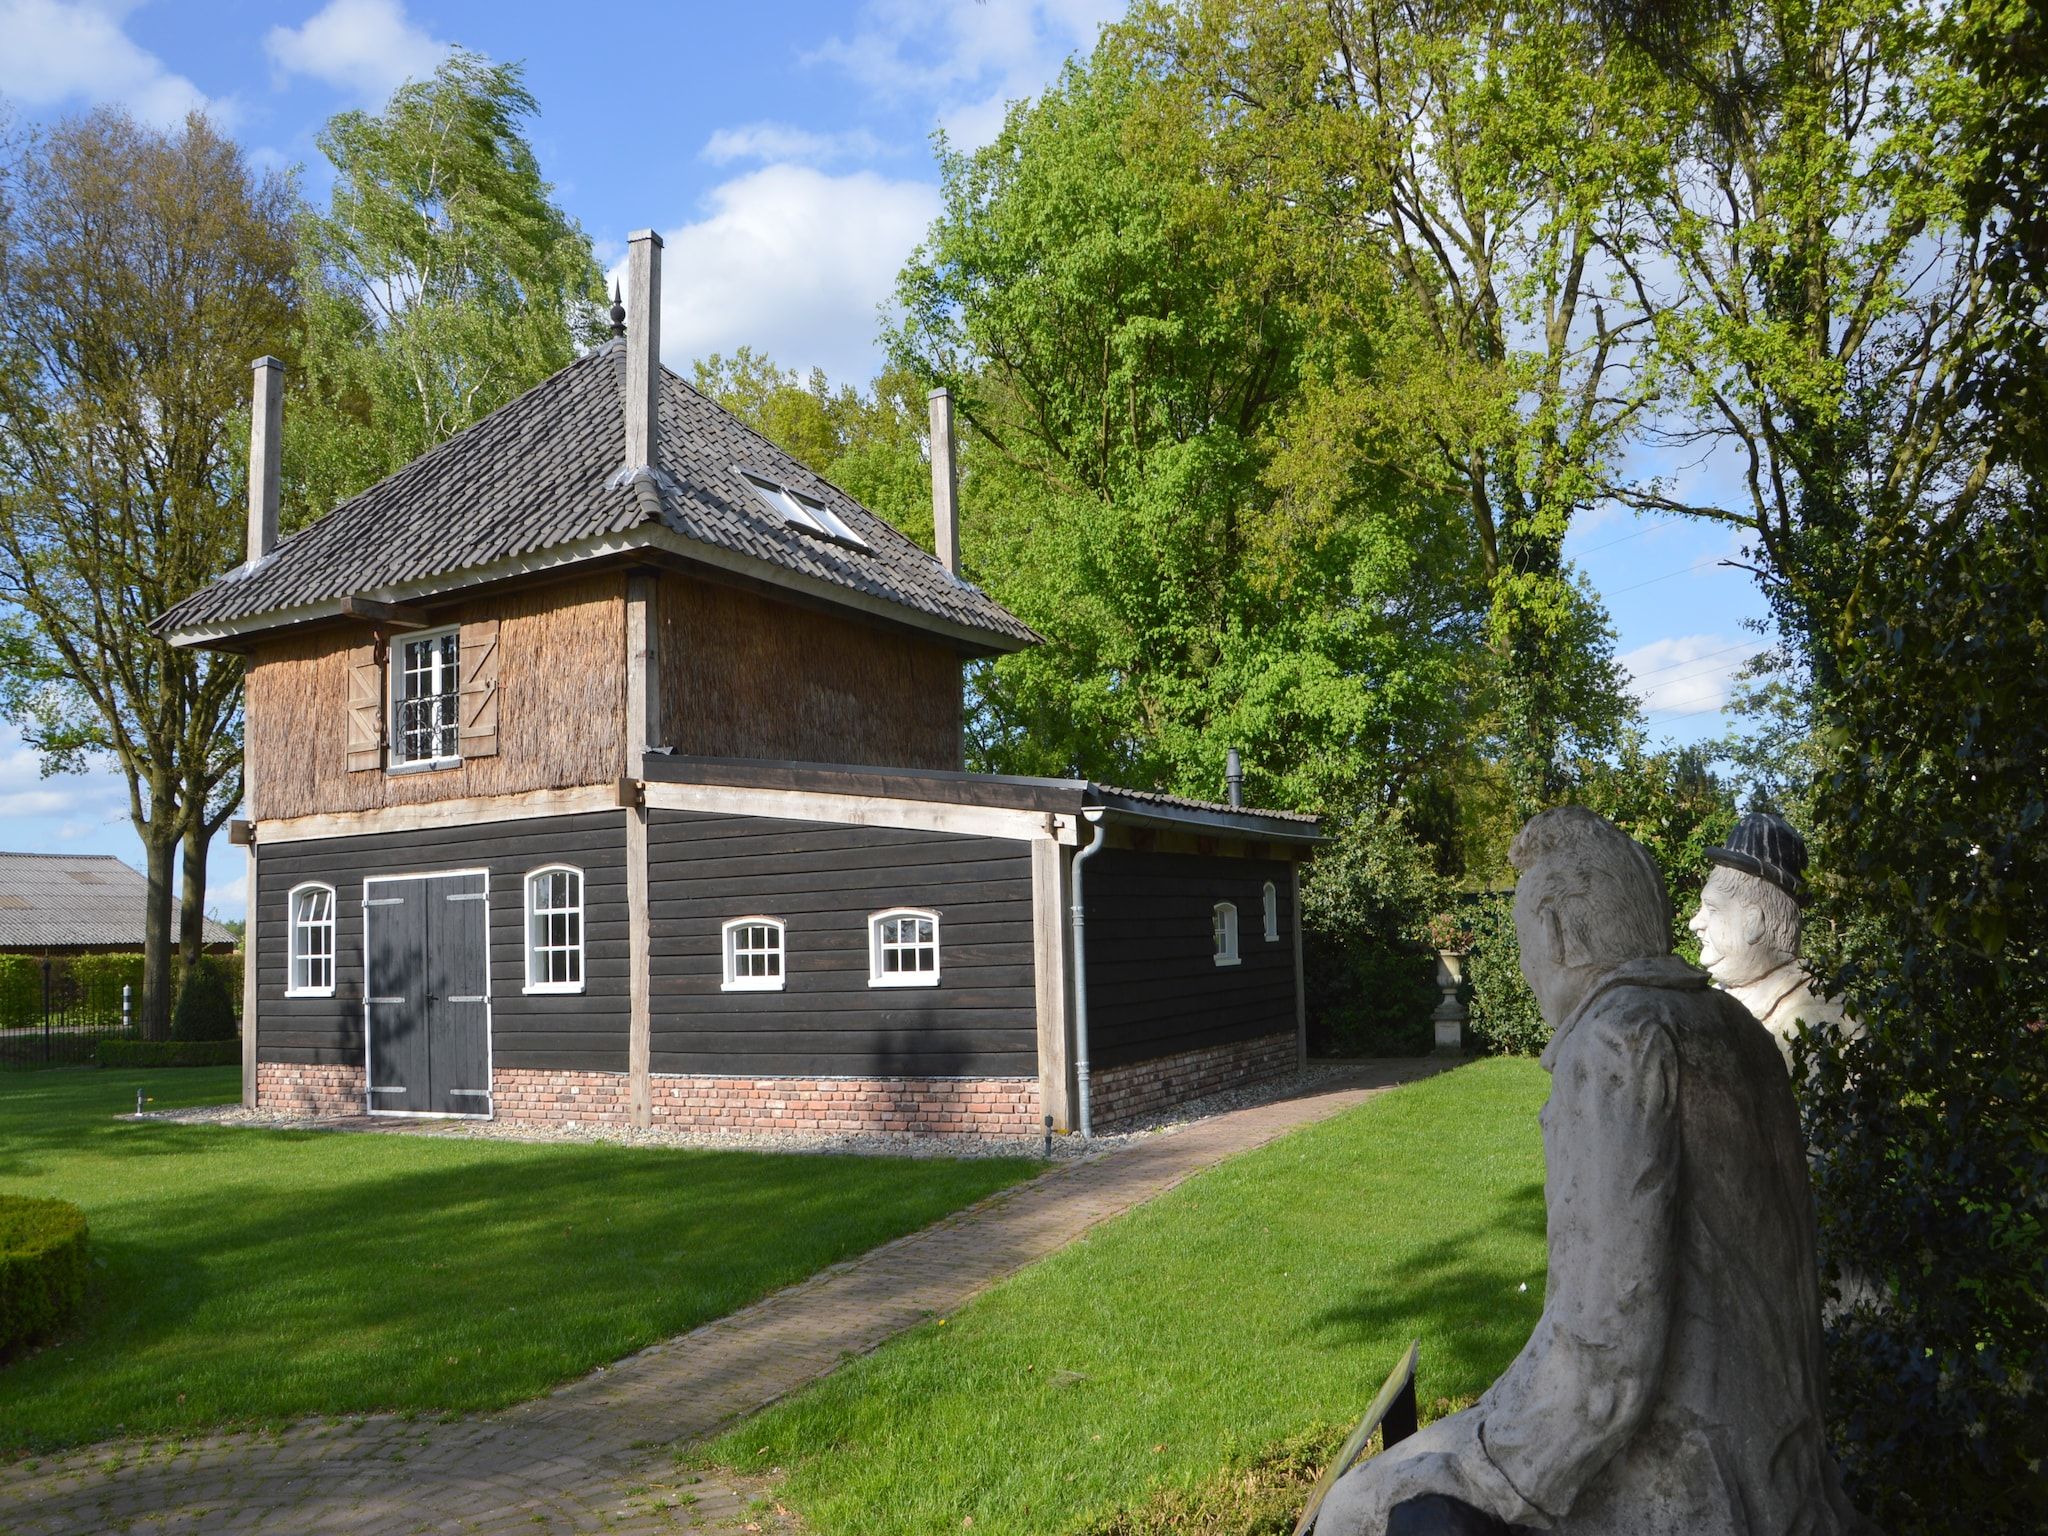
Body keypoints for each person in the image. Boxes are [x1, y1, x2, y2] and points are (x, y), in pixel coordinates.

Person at [1316, 807, 1874, 1536]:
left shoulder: (1616, 1043)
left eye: (1521, 948)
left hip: (1696, 1482)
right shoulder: (1734, 1026)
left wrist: (1479, 1465)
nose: (1524, 970)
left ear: (1556, 933)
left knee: (1355, 1509)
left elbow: (1603, 1361)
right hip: (1782, 1465)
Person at [1688, 811, 1850, 1071]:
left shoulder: (1817, 1020)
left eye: (1712, 908)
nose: (1695, 923)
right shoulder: (1715, 1001)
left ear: (1754, 922)